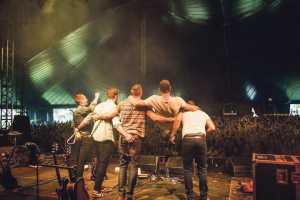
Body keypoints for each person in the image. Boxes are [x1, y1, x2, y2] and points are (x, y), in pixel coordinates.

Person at [113, 84, 174, 200]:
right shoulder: (143, 105)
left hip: (123, 137)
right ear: (140, 92)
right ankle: (130, 195)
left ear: (131, 92)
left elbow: (114, 117)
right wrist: (171, 119)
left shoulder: (122, 103)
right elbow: (155, 118)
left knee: (122, 166)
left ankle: (121, 195)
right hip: (136, 138)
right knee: (134, 166)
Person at [172, 100, 215, 200]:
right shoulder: (203, 113)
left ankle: (190, 196)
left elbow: (176, 123)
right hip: (200, 139)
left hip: (187, 140)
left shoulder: (183, 113)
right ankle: (203, 196)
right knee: (202, 170)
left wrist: (172, 135)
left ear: (187, 106)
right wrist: (203, 133)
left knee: (187, 170)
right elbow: (212, 127)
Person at [129, 79, 199, 139]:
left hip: (160, 128)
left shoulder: (154, 99)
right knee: (182, 112)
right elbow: (194, 108)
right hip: (176, 128)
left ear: (159, 89)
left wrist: (130, 98)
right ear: (170, 88)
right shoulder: (178, 100)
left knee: (147, 110)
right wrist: (196, 108)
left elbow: (136, 104)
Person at [90, 87, 119, 198]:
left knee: (99, 162)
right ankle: (96, 190)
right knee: (103, 164)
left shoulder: (100, 105)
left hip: (95, 136)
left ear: (108, 95)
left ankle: (99, 186)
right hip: (105, 137)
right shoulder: (114, 107)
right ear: (116, 96)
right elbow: (115, 122)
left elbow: (92, 111)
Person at [71, 92, 100, 178]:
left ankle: (79, 177)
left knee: (81, 158)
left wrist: (76, 131)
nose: (87, 99)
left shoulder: (77, 111)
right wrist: (96, 97)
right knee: (86, 158)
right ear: (80, 101)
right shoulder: (80, 109)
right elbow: (91, 108)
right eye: (85, 98)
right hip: (86, 137)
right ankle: (80, 178)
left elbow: (73, 125)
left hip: (81, 136)